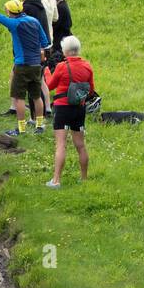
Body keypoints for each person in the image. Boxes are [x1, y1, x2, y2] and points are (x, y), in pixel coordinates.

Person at [0, 0, 50, 136]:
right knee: (36, 96)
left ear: (10, 12)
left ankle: (21, 129)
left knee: (19, 97)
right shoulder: (34, 21)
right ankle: (40, 126)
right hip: (37, 65)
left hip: (22, 66)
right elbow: (45, 42)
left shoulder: (14, 24)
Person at [45, 35, 96, 187]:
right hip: (78, 108)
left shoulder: (61, 66)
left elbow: (50, 85)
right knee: (80, 145)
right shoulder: (87, 66)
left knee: (61, 144)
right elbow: (91, 90)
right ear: (78, 49)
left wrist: (47, 71)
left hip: (62, 107)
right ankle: (84, 178)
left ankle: (56, 181)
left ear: (65, 51)